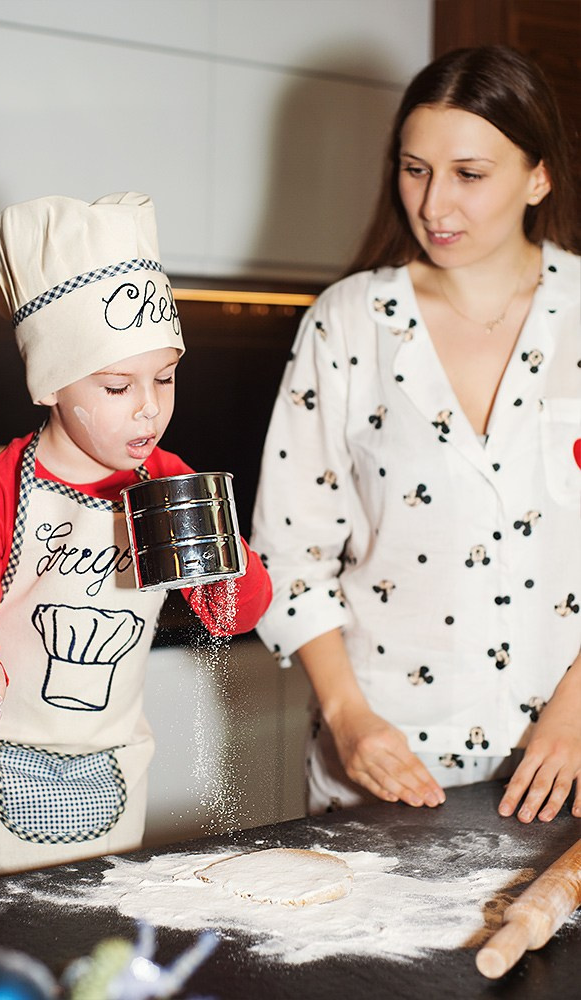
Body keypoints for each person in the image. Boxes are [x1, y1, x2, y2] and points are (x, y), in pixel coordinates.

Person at [251, 46, 580, 825]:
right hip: (387, 761)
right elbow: (289, 554)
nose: (435, 204)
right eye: (415, 169)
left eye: (469, 174)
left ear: (538, 177)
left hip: (566, 758)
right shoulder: (349, 322)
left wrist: (574, 712)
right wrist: (349, 718)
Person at [0, 192, 272, 883]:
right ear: (51, 384)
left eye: (165, 378)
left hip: (114, 767)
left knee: (102, 928)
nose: (150, 408)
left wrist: (223, 558)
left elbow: (236, 614)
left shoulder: (167, 484)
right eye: (118, 387)